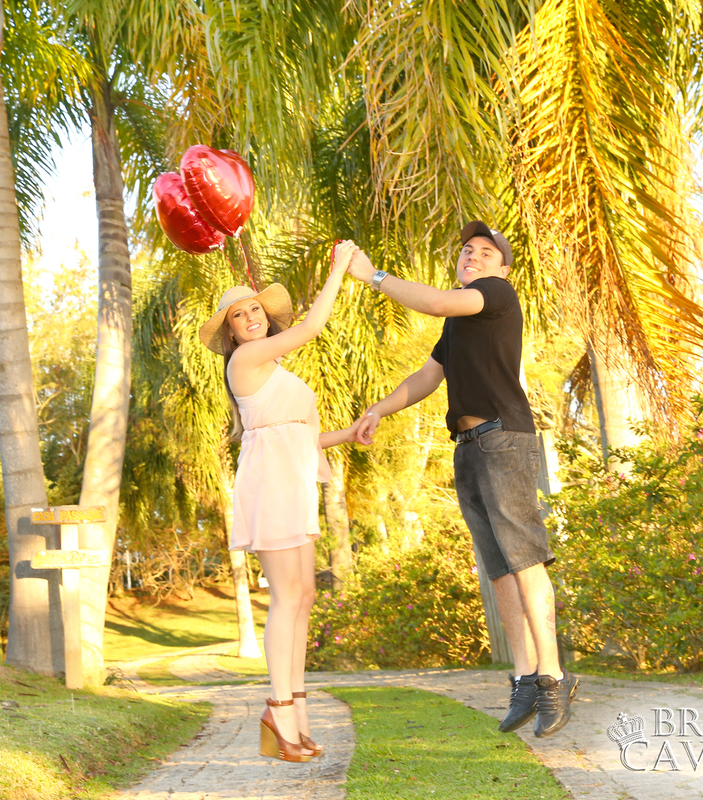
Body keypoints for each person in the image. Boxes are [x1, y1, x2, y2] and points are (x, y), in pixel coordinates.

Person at [347, 222, 579, 738]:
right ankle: (523, 678)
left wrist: (372, 275)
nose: (473, 256)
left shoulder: (493, 294)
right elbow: (429, 376)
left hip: (503, 441)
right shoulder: (459, 322)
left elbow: (433, 302)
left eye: (485, 251)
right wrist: (378, 411)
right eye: (466, 250)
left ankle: (553, 676)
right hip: (470, 449)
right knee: (499, 569)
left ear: (502, 267)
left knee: (525, 559)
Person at [198, 240, 365, 762]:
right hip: (270, 478)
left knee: (305, 594)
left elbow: (300, 435)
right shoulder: (246, 359)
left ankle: (297, 719)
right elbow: (313, 328)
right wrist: (340, 268)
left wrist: (349, 435)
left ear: (264, 318)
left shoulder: (278, 374)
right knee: (287, 596)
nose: (249, 317)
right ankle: (278, 713)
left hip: (291, 475)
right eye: (238, 314)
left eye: (254, 309)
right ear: (231, 331)